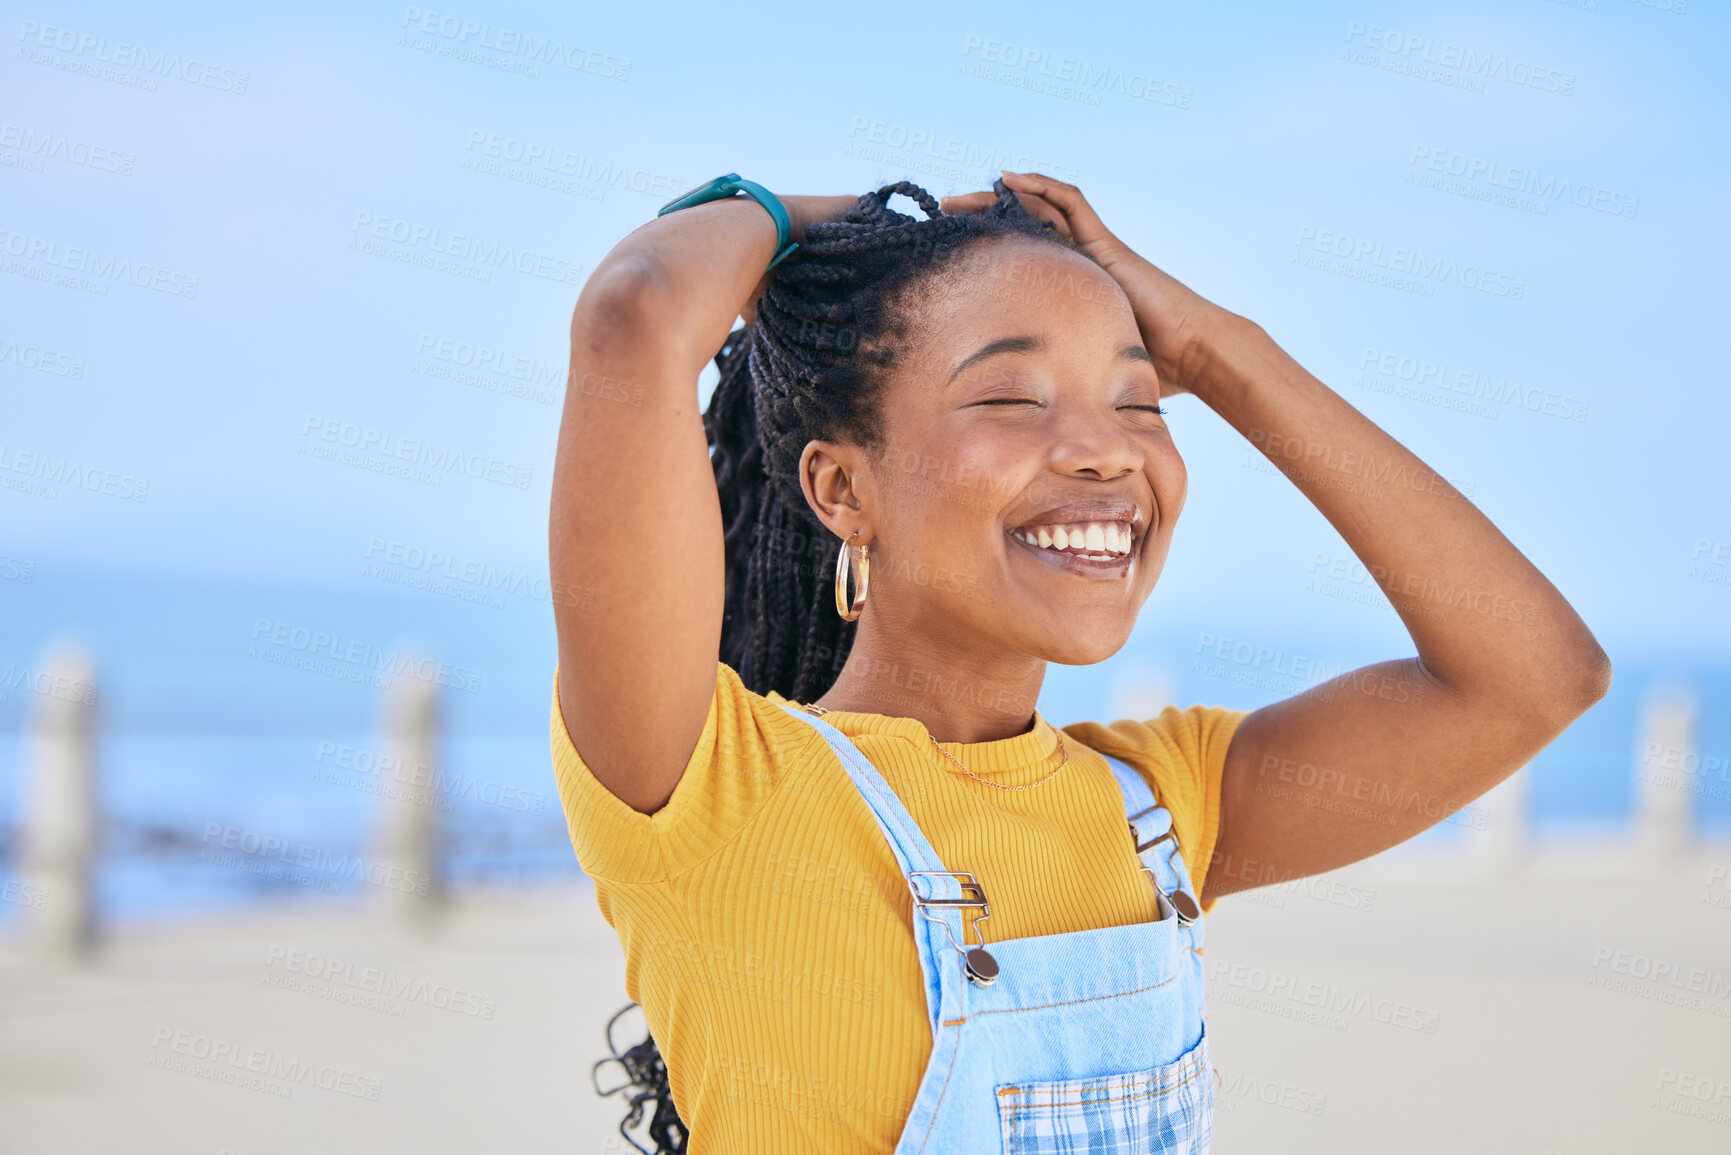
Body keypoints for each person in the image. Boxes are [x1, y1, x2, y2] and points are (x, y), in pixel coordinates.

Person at [548, 172, 1611, 1154]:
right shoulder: (709, 792)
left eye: (1138, 402)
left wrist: (1220, 353)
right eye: (1012, 398)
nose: (1105, 449)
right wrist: (804, 221)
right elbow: (635, 311)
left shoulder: (1166, 804)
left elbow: (1534, 676)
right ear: (843, 491)